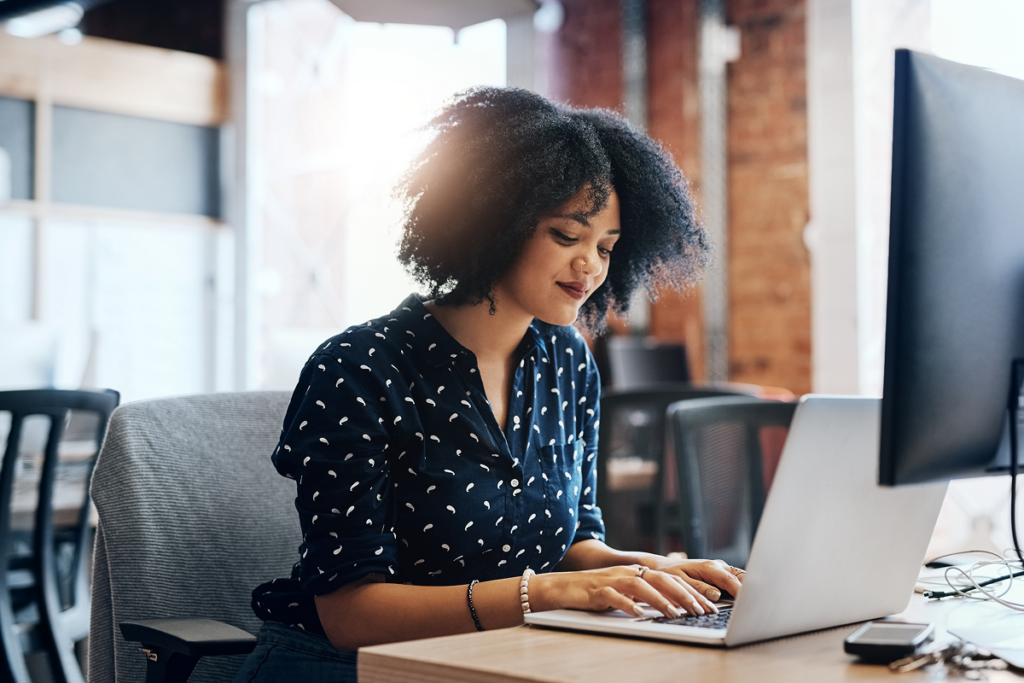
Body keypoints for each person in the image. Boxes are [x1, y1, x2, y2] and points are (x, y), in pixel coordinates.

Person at [233, 87, 742, 683]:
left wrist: (651, 571)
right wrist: (544, 594)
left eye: (606, 248)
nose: (591, 267)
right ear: (496, 219)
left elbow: (574, 541)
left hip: (499, 659)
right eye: (566, 236)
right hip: (342, 666)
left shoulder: (568, 361)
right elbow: (351, 614)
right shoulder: (358, 368)